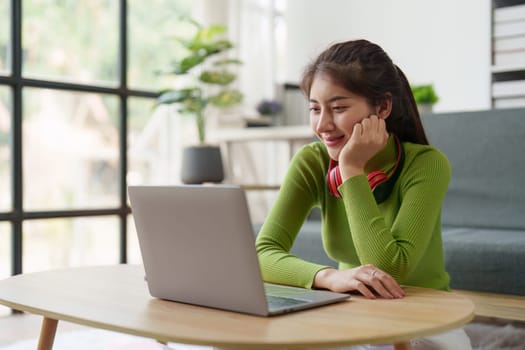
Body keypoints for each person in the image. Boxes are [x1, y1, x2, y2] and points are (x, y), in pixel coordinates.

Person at [255, 39, 472, 350]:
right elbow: (262, 254)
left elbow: (390, 267)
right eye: (315, 109)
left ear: (382, 107)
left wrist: (352, 168)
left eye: (339, 108)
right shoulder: (311, 161)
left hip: (424, 314)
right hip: (352, 310)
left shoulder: (426, 163)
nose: (322, 125)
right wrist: (328, 278)